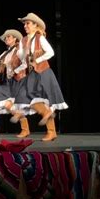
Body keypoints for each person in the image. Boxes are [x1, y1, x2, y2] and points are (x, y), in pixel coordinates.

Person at [14, 12, 68, 141]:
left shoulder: (40, 38)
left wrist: (37, 61)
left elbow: (50, 52)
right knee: (25, 98)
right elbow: (24, 60)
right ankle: (46, 116)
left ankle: (51, 131)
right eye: (24, 24)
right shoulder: (24, 40)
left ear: (35, 25)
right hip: (32, 73)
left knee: (44, 100)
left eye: (27, 23)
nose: (25, 26)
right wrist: (19, 60)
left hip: (43, 72)